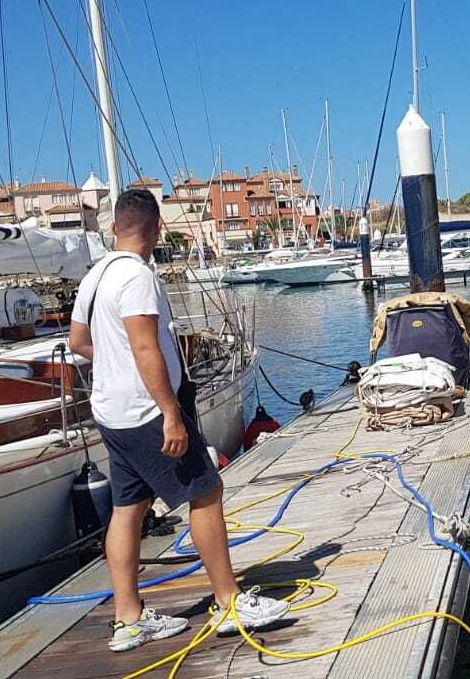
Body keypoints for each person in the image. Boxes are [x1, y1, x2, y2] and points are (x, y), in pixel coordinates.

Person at [70, 189, 289, 652]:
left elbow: (78, 342)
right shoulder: (136, 278)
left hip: (111, 411)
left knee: (128, 509)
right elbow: (146, 347)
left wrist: (115, 363)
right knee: (206, 493)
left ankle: (128, 618)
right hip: (148, 410)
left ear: (114, 228)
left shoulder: (95, 276)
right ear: (155, 229)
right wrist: (170, 412)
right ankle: (229, 602)